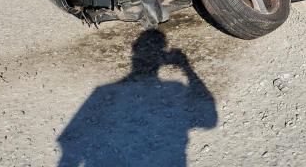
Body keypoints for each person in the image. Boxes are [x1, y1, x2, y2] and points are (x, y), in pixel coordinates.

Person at [57, 30, 217, 166]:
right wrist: (186, 67)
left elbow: (69, 149)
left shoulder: (102, 92)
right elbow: (209, 120)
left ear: (134, 53)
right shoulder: (176, 88)